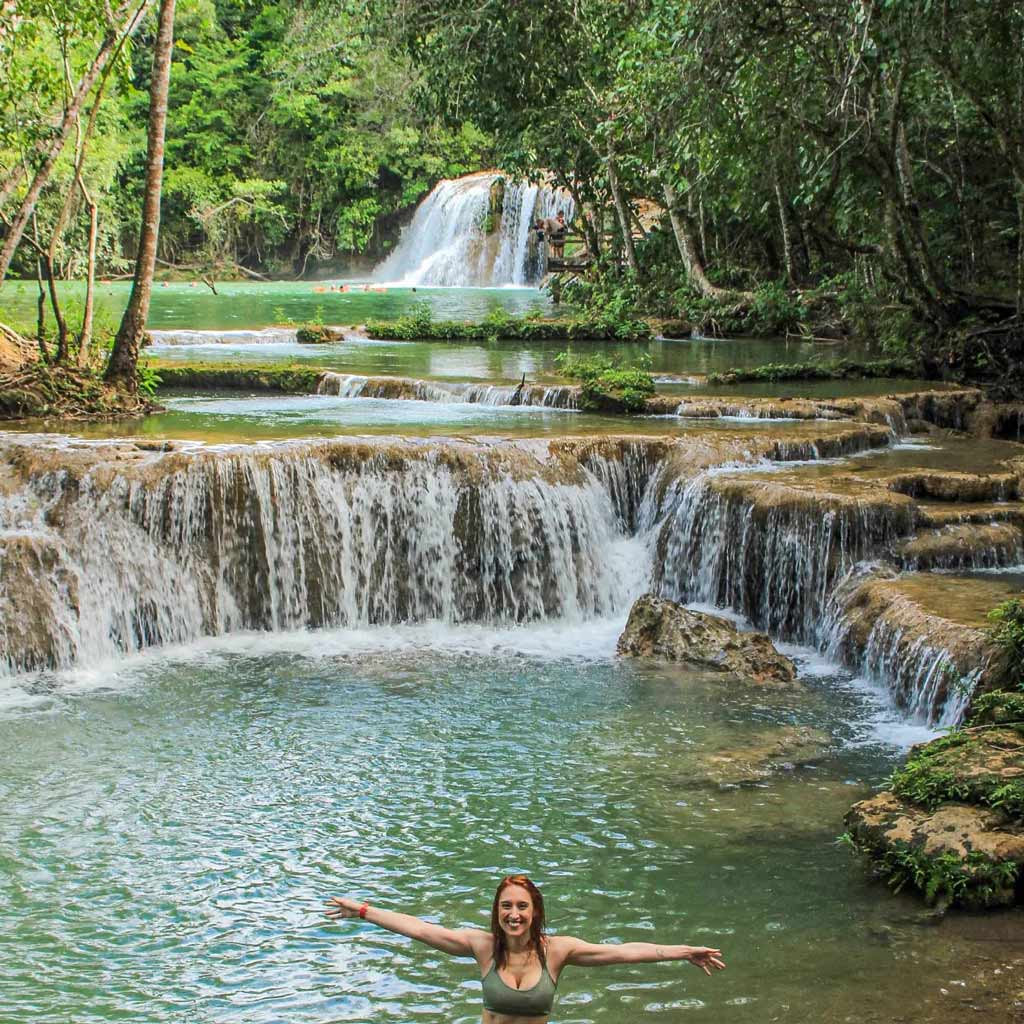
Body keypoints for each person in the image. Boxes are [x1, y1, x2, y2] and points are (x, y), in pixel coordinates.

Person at [325, 874, 725, 1023]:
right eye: (506, 906)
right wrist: (363, 910)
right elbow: (420, 929)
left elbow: (622, 951)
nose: (513, 914)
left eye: (521, 906)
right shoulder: (481, 946)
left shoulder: (558, 951)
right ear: (496, 911)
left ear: (535, 912)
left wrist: (682, 950)